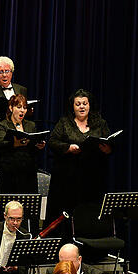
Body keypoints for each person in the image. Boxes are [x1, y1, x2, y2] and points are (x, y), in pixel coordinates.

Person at [47, 89, 114, 237]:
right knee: (68, 212)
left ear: (90, 105)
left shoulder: (100, 123)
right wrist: (68, 148)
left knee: (90, 212)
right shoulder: (65, 122)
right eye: (78, 104)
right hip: (68, 178)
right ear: (73, 106)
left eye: (85, 103)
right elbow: (52, 142)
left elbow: (110, 145)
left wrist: (107, 149)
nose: (82, 107)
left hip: (92, 178)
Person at [0, 56, 29, 170]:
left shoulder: (22, 89)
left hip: (20, 141)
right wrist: (8, 111)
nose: (4, 75)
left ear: (11, 72)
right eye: (0, 72)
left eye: (7, 71)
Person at [0, 94, 45, 194]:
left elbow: (33, 148)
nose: (22, 110)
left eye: (25, 107)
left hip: (27, 172)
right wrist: (14, 144)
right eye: (19, 107)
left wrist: (39, 146)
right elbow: (0, 143)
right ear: (11, 108)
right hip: (9, 172)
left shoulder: (31, 125)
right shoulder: (3, 125)